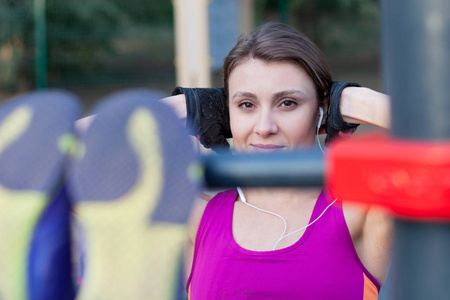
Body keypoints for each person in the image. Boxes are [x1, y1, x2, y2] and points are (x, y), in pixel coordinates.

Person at [162, 22, 392, 299]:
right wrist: (191, 106)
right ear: (226, 115)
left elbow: (439, 146)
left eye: (287, 103)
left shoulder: (359, 211)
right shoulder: (196, 218)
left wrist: (352, 101)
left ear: (322, 112)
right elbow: (101, 146)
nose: (264, 127)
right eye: (246, 105)